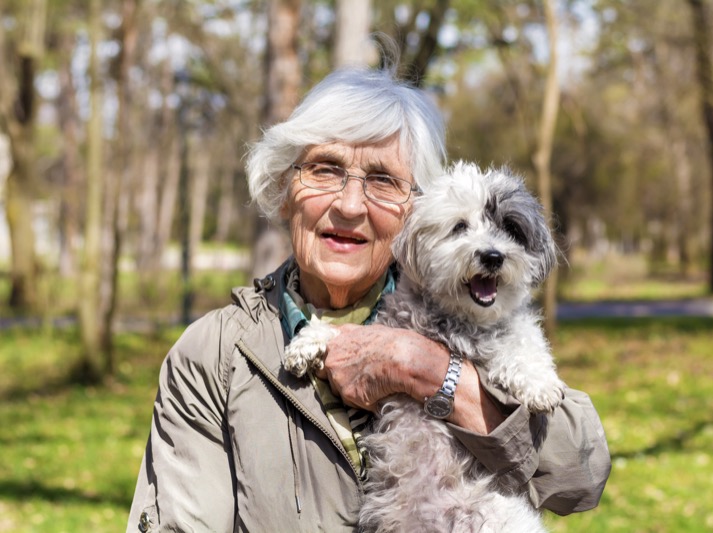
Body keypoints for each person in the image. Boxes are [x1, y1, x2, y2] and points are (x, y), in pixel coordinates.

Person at [127, 65, 611, 532]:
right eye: (325, 169)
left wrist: (426, 370)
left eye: (382, 180)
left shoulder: (472, 314)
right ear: (284, 189)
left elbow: (579, 476)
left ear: (418, 212)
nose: (350, 205)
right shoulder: (213, 356)